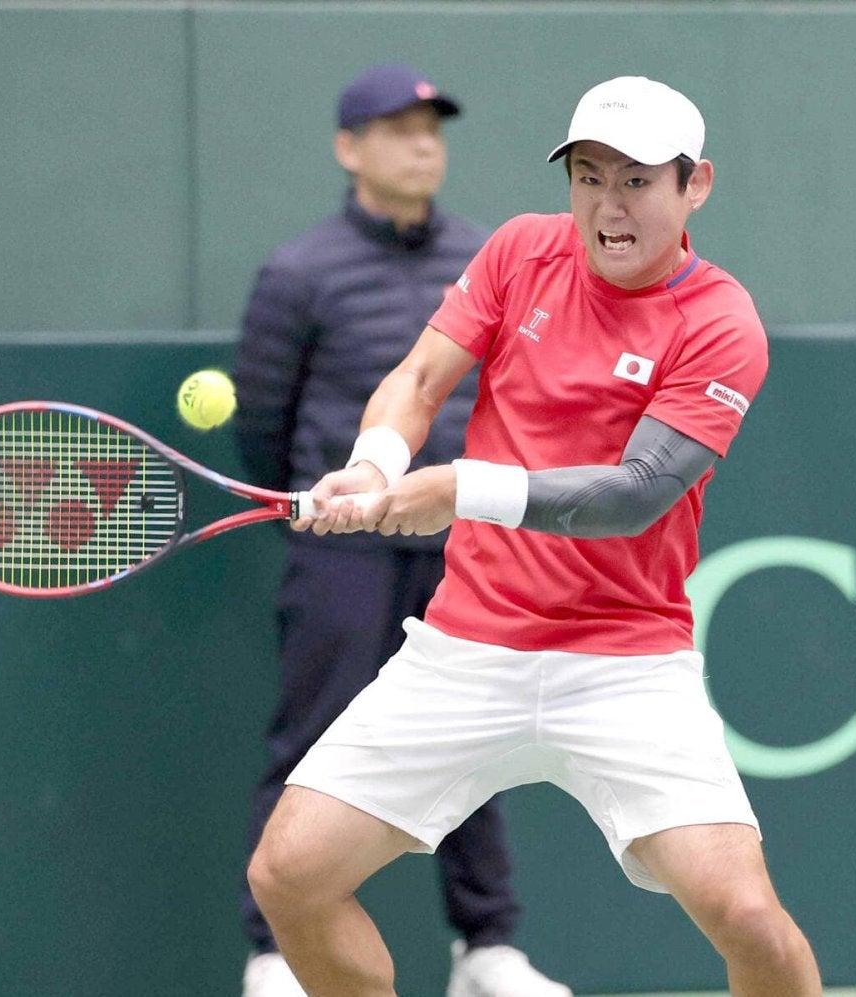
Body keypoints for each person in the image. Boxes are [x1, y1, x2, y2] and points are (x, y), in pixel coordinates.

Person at [246, 76, 826, 997]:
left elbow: (637, 493)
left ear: (696, 186)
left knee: (750, 920)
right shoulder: (521, 250)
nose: (608, 204)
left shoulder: (720, 321)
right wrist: (375, 462)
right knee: (289, 875)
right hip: (465, 650)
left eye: (636, 180)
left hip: (626, 663)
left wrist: (458, 489)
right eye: (589, 176)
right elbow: (420, 378)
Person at [233, 64, 572, 997]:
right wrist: (322, 508)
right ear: (349, 149)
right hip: (340, 556)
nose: (422, 144)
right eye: (396, 128)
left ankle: (486, 949)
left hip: (466, 552)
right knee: (313, 741)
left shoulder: (485, 260)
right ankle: (274, 951)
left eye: (431, 128)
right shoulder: (298, 272)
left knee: (474, 741)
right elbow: (264, 424)